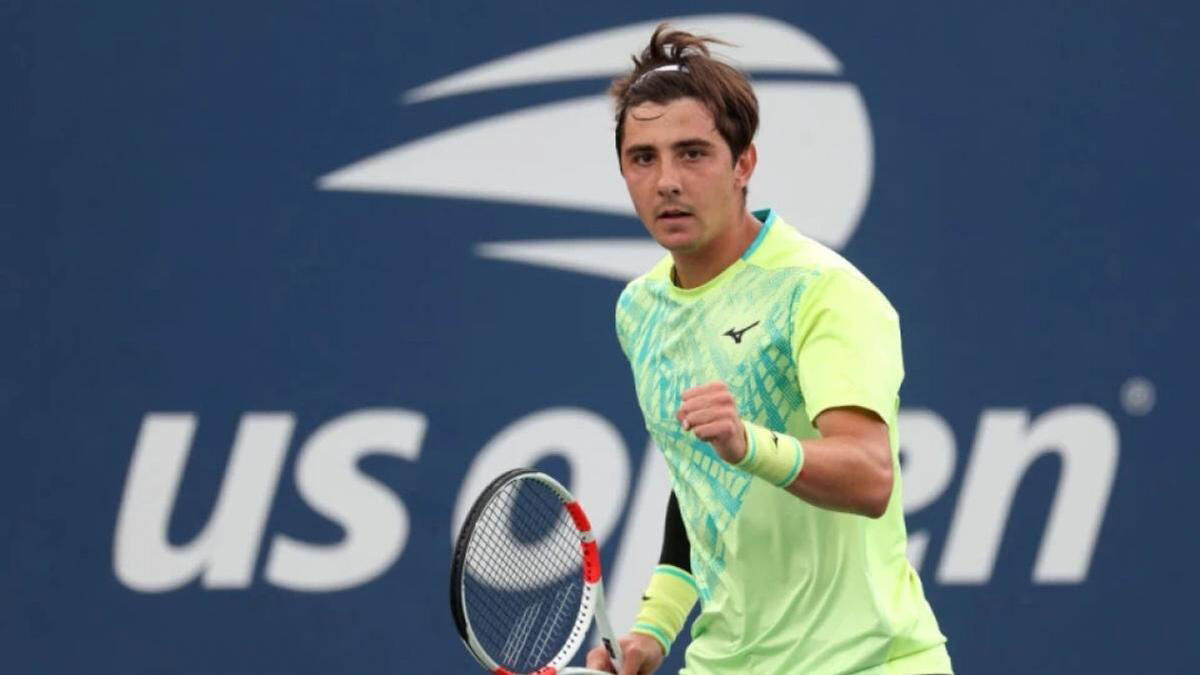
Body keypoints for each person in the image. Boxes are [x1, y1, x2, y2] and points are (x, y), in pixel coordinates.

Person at [585, 25, 953, 675]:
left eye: (693, 154)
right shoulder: (640, 310)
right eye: (643, 158)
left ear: (743, 164)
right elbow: (700, 488)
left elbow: (870, 475)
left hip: (865, 663)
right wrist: (653, 629)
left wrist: (747, 443)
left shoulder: (821, 290)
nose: (666, 181)